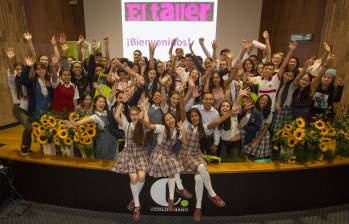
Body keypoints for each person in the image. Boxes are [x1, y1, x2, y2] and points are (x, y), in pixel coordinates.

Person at [182, 108, 226, 222]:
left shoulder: (203, 127)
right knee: (201, 167)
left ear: (199, 117)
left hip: (197, 155)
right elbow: (184, 143)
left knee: (199, 179)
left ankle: (198, 208)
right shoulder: (185, 126)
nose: (194, 118)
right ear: (189, 118)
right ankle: (212, 194)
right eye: (192, 116)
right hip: (186, 156)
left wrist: (231, 112)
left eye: (196, 115)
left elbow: (216, 122)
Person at [114, 104, 148, 222]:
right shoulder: (127, 125)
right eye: (132, 114)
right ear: (130, 115)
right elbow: (116, 116)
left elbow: (147, 122)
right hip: (129, 154)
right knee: (134, 178)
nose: (134, 116)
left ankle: (134, 200)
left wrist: (144, 109)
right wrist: (122, 103)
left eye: (136, 114)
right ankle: (137, 207)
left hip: (141, 154)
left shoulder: (143, 125)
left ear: (139, 115)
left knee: (142, 176)